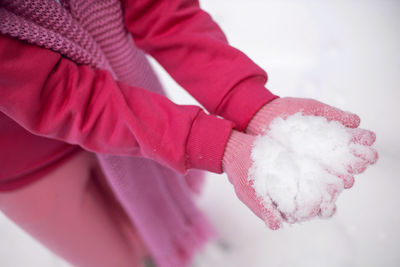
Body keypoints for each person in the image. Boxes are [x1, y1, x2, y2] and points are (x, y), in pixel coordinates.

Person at [0, 0, 377, 266]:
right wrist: (215, 145)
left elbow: (162, 10)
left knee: (153, 208)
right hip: (25, 162)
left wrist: (250, 103)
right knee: (111, 256)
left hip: (133, 107)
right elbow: (53, 91)